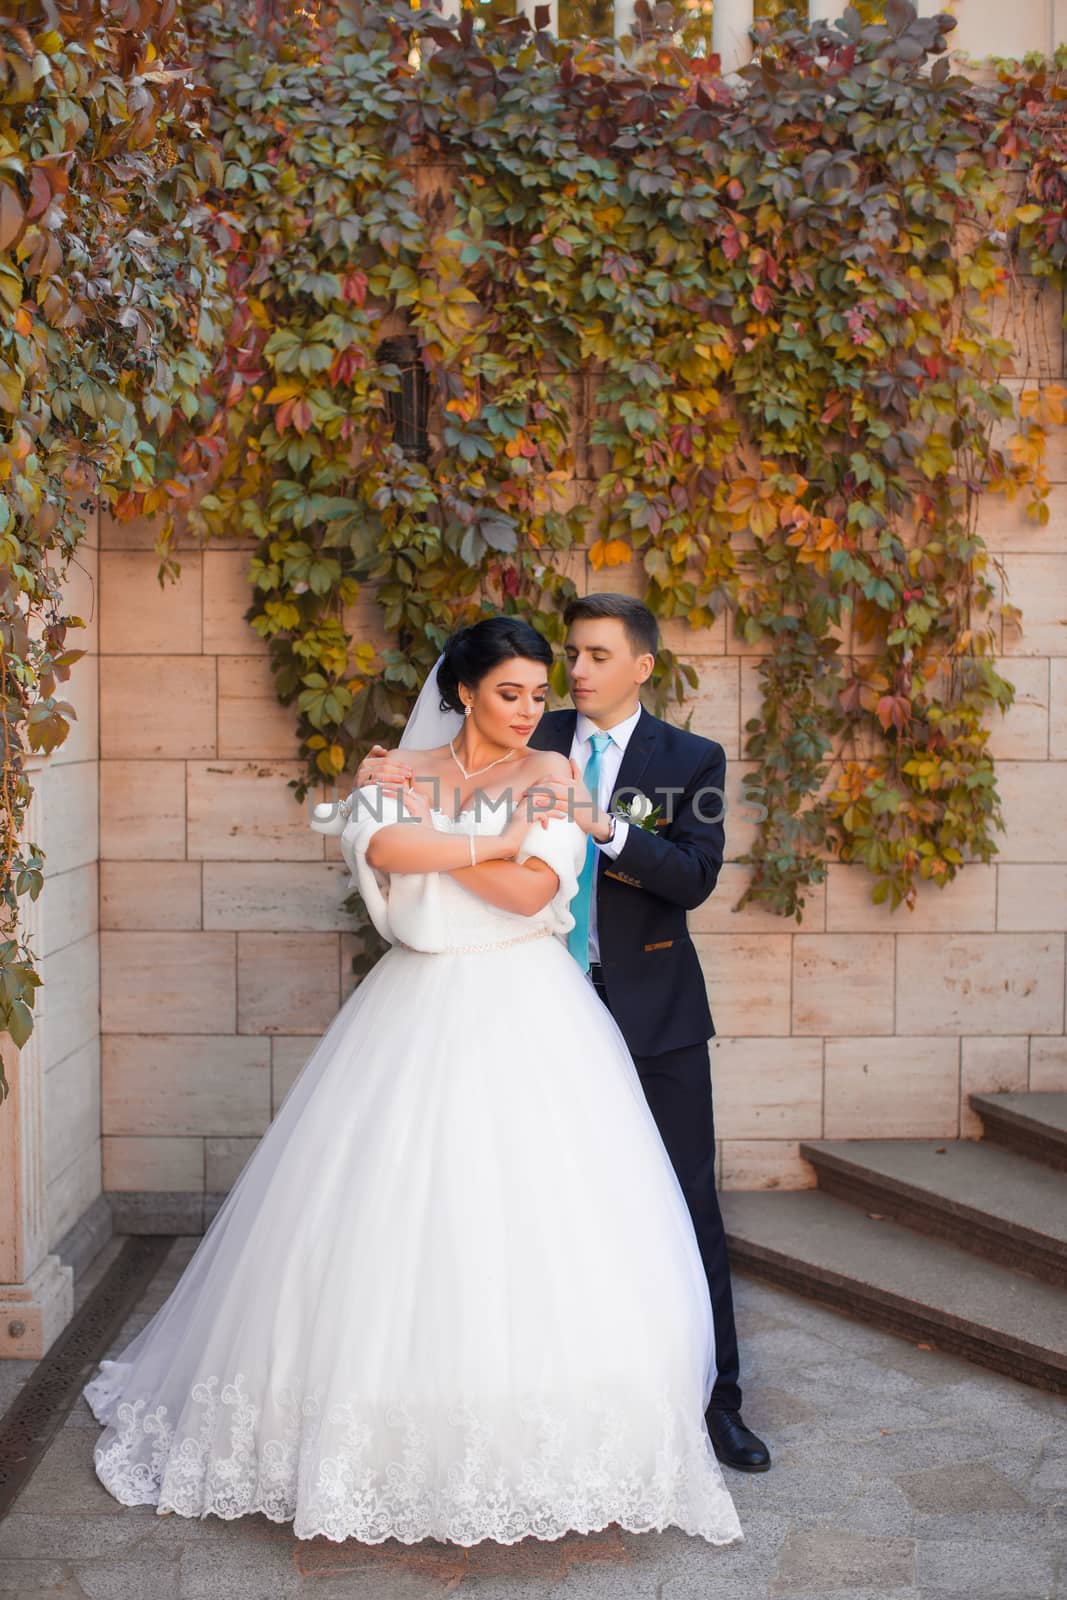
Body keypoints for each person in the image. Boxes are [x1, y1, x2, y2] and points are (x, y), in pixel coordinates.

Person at [81, 615, 742, 1549]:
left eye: (539, 694)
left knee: (547, 1212)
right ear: (464, 692)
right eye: (509, 692)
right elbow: (383, 858)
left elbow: (530, 893)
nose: (528, 709)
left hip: (528, 1007)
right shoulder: (408, 772)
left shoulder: (552, 773)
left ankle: (677, 1410)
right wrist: (489, 839)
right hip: (414, 1005)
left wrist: (462, 843)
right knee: (388, 1207)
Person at [358, 595, 771, 1474]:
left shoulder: (687, 760)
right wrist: (390, 779)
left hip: (647, 1008)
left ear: (641, 666)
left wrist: (603, 824)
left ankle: (716, 1403)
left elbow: (693, 877)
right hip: (526, 996)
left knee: (682, 1204)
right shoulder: (527, 736)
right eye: (569, 656)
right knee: (521, 1200)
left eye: (593, 655)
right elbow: (434, 782)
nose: (575, 673)